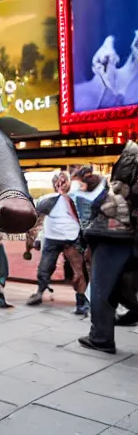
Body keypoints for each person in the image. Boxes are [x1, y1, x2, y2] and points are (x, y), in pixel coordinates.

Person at [79, 142, 138, 354]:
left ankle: (101, 337)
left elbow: (116, 192)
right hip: (128, 235)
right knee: (123, 281)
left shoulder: (132, 155)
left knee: (102, 286)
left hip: (113, 235)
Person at [26, 171, 88, 314]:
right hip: (53, 238)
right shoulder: (47, 200)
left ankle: (81, 299)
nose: (61, 184)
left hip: (72, 237)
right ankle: (40, 291)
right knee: (45, 267)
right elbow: (37, 223)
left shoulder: (76, 198)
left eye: (63, 181)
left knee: (78, 270)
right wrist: (33, 240)